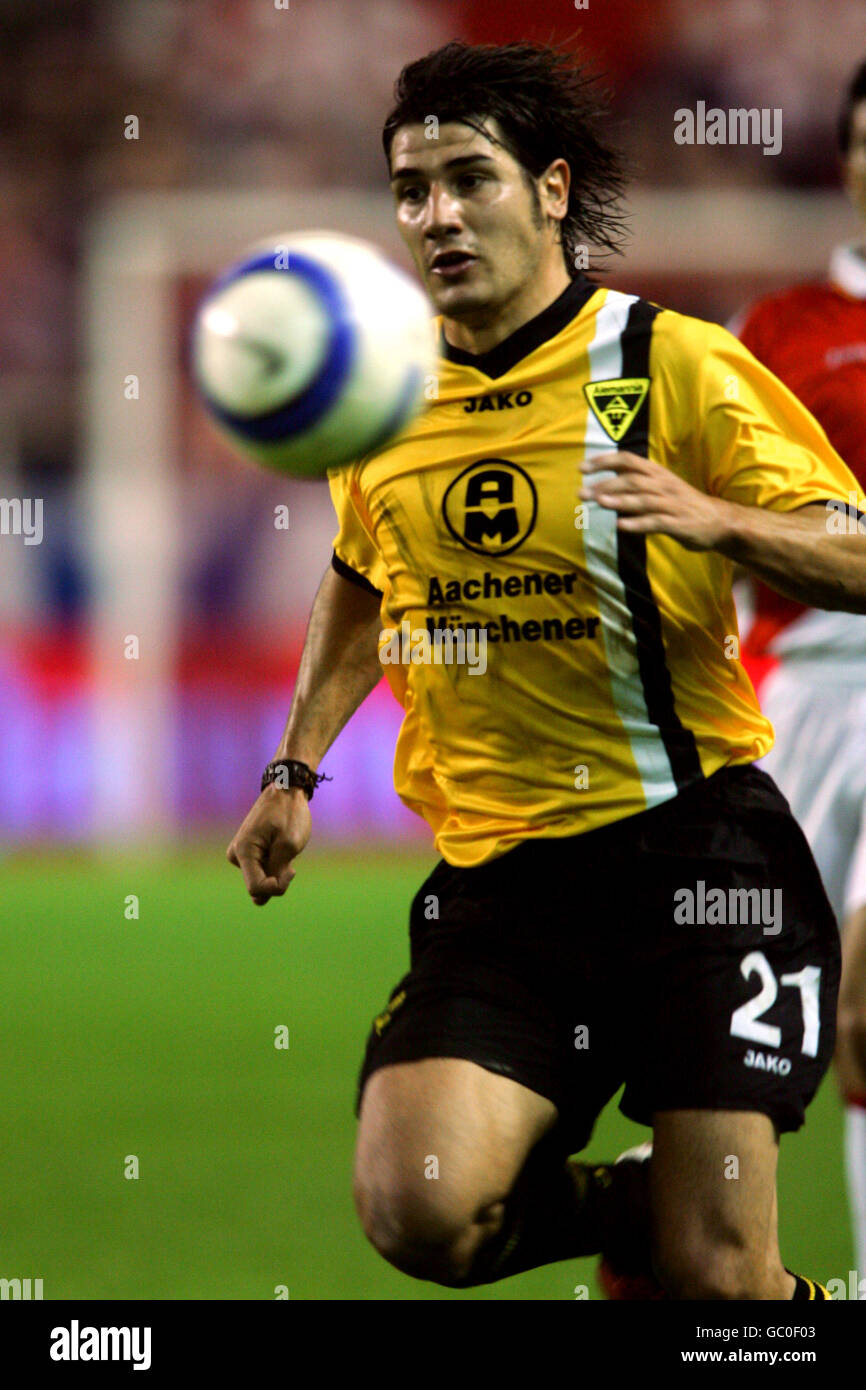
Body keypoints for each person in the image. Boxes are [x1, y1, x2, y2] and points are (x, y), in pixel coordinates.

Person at [227, 40, 866, 1299]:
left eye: (470, 178)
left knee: (722, 1291)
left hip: (699, 860)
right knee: (418, 1214)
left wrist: (724, 521)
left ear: (553, 190)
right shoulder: (385, 398)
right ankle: (634, 1201)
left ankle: (703, 1246)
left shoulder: (670, 362)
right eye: (412, 190)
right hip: (503, 884)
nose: (437, 215)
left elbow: (853, 542)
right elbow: (362, 577)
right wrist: (295, 763)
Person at [733, 59, 866, 1293]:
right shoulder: (776, 334)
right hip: (799, 695)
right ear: (845, 162)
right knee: (755, 1028)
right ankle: (721, 1271)